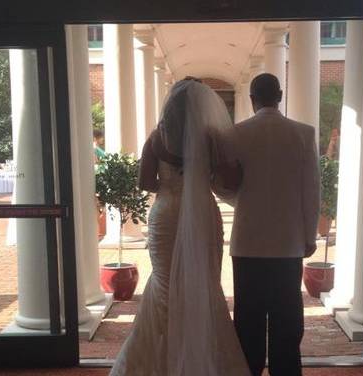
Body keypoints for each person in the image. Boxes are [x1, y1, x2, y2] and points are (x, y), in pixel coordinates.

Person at [109, 78, 250, 376]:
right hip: (201, 214)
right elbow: (227, 181)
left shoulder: (156, 138)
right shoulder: (210, 138)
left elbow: (146, 182)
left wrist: (171, 185)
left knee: (164, 284)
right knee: (205, 282)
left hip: (166, 214)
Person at [219, 73, 320, 376]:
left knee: (248, 319)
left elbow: (222, 186)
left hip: (247, 242)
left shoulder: (235, 134)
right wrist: (309, 234)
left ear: (251, 99)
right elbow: (311, 190)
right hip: (288, 243)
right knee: (287, 320)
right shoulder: (304, 133)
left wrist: (245, 201)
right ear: (280, 95)